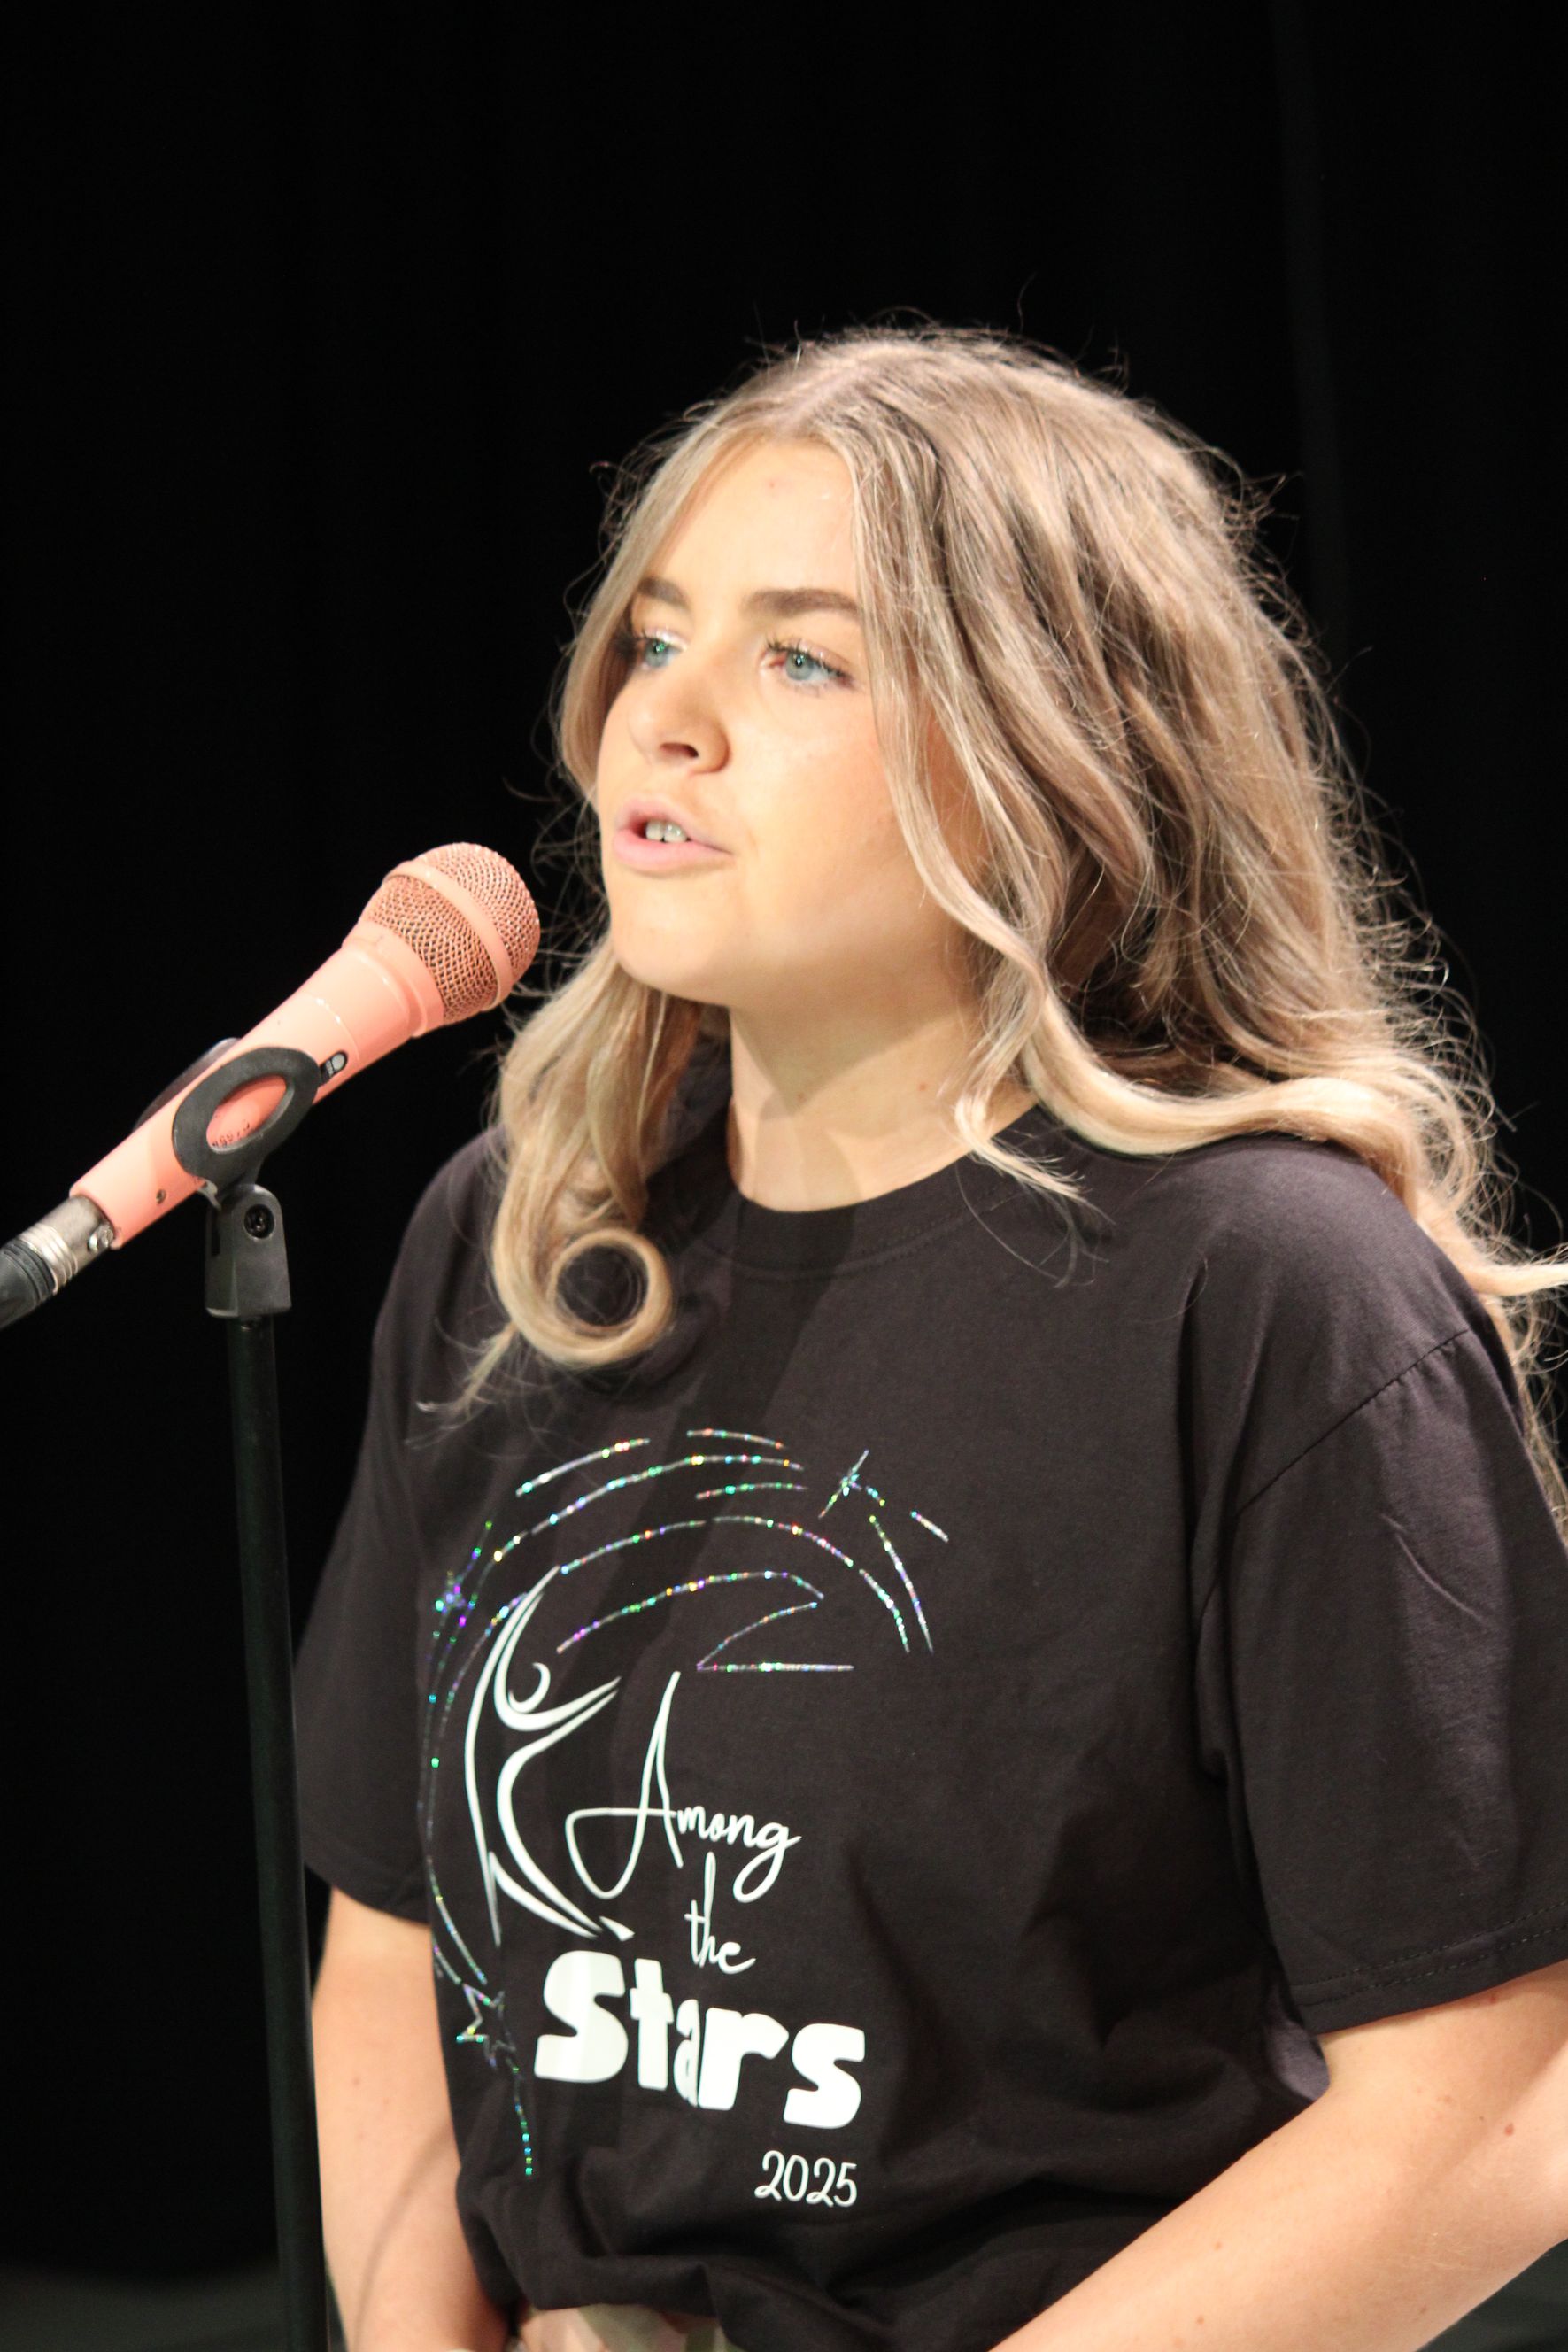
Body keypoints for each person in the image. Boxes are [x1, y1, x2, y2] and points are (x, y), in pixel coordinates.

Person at [294, 324, 1568, 2352]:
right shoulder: (531, 1239)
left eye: (802, 658)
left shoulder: (1264, 1291)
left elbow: (1487, 2107)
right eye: (655, 637)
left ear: (1050, 745)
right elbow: (391, 1932)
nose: (669, 725)